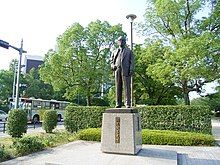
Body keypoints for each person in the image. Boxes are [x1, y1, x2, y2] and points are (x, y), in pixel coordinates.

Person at [110, 36, 134, 108]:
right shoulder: (114, 51)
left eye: (122, 40)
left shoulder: (129, 51)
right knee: (118, 87)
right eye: (119, 40)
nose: (121, 41)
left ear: (125, 42)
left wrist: (131, 69)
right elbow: (111, 61)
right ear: (117, 42)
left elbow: (132, 62)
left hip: (126, 70)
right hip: (117, 70)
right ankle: (118, 103)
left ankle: (127, 103)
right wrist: (112, 65)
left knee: (127, 87)